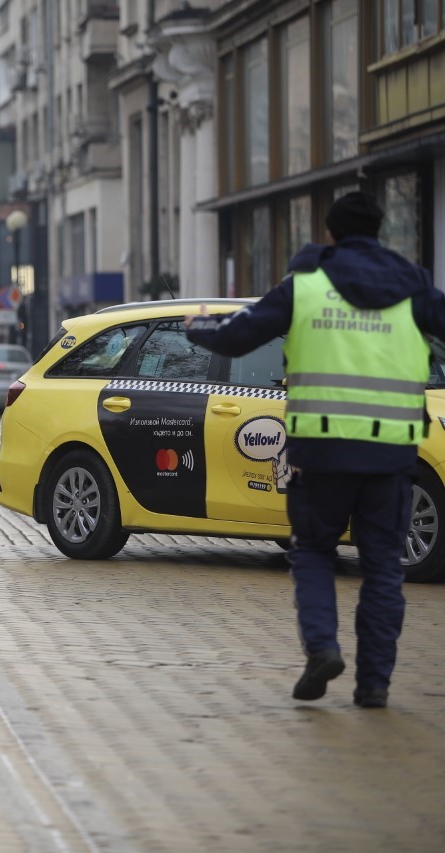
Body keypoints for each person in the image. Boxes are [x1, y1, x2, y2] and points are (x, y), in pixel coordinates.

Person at [186, 191, 445, 709]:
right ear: (380, 232)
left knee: (313, 553)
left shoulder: (305, 286)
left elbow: (241, 335)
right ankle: (374, 683)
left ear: (330, 233)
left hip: (322, 454)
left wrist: (199, 330)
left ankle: (323, 647)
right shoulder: (412, 288)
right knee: (383, 570)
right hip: (390, 457)